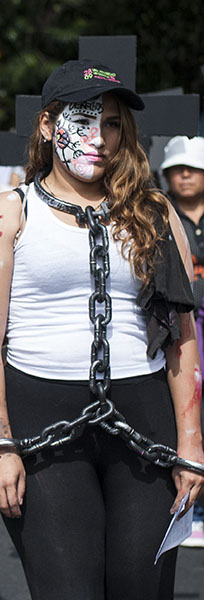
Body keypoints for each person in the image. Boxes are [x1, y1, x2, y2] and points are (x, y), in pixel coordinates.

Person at [0, 59, 204, 599]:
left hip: (144, 412)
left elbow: (181, 332)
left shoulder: (154, 212)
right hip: (41, 411)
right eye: (84, 120)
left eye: (114, 123)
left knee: (140, 587)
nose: (100, 138)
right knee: (66, 588)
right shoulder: (8, 211)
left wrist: (191, 442)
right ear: (49, 125)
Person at [159, 135, 204, 547]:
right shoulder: (159, 213)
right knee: (190, 402)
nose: (185, 175)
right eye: (177, 169)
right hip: (186, 322)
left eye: (192, 168)